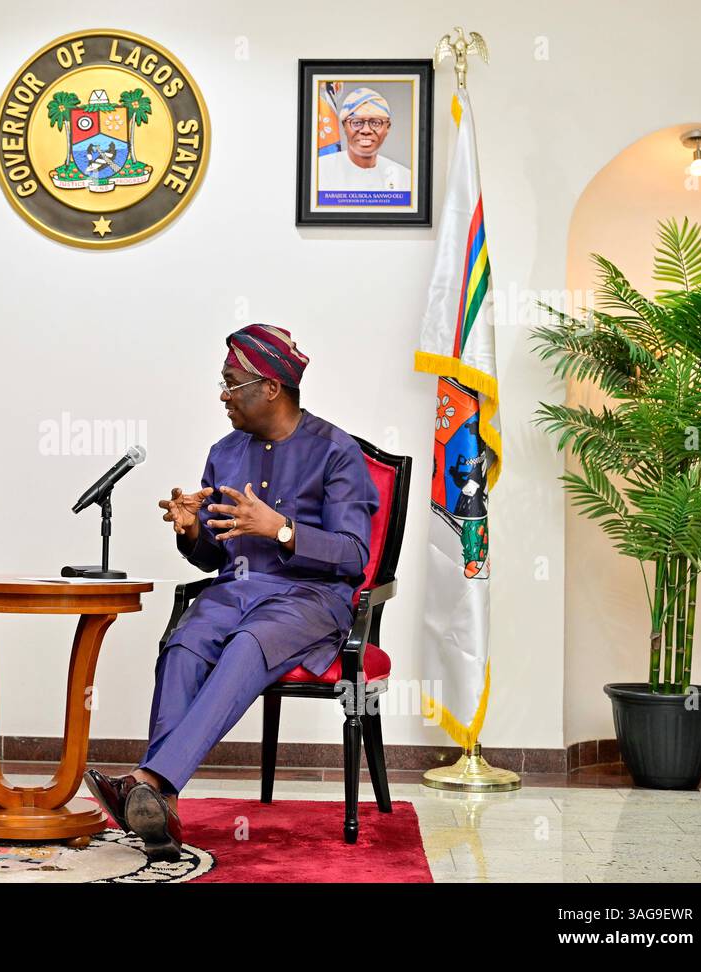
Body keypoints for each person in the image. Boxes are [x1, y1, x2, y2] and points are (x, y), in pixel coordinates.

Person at [85, 324, 379, 861]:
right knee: (183, 644)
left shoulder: (336, 452)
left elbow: (355, 556)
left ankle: (151, 778)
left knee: (248, 643)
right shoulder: (224, 452)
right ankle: (160, 802)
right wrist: (192, 531)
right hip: (235, 590)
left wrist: (281, 529)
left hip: (308, 600)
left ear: (271, 387)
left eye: (231, 382)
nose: (223, 395)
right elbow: (216, 557)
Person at [317, 86, 411, 192]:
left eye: (375, 123)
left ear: (387, 127)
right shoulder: (318, 172)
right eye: (357, 122)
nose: (366, 130)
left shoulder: (405, 178)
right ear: (344, 126)